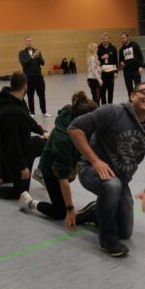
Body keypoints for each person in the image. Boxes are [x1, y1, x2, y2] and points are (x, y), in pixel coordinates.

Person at [68, 81, 145, 257]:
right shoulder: (113, 112)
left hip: (120, 181)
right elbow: (75, 129)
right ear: (132, 96)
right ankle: (107, 240)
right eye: (144, 92)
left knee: (125, 232)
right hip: (90, 170)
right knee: (112, 185)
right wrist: (96, 161)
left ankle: (95, 211)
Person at [22, 91, 99, 227]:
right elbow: (63, 178)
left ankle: (41, 177)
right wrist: (70, 209)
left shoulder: (73, 113)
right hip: (51, 169)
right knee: (60, 212)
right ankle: (29, 202)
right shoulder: (63, 139)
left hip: (64, 160)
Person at [0, 72, 50, 206]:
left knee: (51, 144)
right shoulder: (10, 111)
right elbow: (12, 144)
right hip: (14, 155)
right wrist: (22, 167)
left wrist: (42, 131)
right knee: (20, 193)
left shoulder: (19, 100)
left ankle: (40, 172)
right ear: (26, 86)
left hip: (25, 144)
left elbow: (28, 119)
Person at [18, 37, 51, 117]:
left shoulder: (37, 51)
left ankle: (44, 112)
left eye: (30, 41)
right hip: (28, 77)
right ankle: (32, 112)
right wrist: (32, 57)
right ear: (25, 42)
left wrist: (38, 57)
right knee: (30, 95)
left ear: (32, 42)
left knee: (41, 94)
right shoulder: (22, 53)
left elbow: (43, 63)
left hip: (38, 76)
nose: (29, 42)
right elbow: (23, 63)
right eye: (27, 41)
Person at [119, 32, 144, 96]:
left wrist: (141, 66)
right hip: (127, 72)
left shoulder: (135, 45)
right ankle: (131, 101)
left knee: (138, 88)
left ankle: (139, 100)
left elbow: (140, 56)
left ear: (127, 37)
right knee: (129, 89)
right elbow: (120, 61)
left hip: (136, 70)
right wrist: (121, 63)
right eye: (121, 38)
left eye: (123, 38)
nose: (122, 40)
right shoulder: (121, 49)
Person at [97, 33, 119, 104]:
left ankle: (110, 106)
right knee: (102, 92)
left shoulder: (113, 48)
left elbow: (116, 60)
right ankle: (104, 107)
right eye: (103, 39)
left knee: (110, 91)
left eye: (106, 39)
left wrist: (116, 72)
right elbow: (96, 60)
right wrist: (101, 57)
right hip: (102, 73)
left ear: (108, 39)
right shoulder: (98, 48)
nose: (104, 40)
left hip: (111, 73)